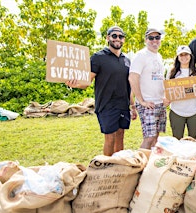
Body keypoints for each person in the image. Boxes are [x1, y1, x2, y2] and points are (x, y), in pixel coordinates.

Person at [65, 26, 135, 156]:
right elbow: (86, 82)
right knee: (110, 138)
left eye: (121, 36)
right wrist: (74, 84)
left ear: (124, 39)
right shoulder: (98, 57)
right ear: (107, 38)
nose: (117, 39)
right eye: (114, 36)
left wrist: (133, 106)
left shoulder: (127, 60)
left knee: (120, 135)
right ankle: (106, 168)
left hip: (123, 105)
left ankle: (119, 164)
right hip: (106, 105)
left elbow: (129, 85)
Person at [128, 28, 168, 149]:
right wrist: (141, 101)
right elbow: (132, 78)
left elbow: (161, 80)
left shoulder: (159, 56)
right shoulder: (141, 55)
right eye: (151, 38)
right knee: (149, 138)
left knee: (156, 137)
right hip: (148, 103)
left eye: (157, 38)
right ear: (146, 40)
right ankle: (139, 163)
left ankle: (150, 164)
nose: (154, 40)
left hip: (159, 103)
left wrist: (165, 97)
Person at [166, 45, 196, 139]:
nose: (184, 57)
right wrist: (166, 99)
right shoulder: (172, 73)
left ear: (190, 56)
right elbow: (167, 92)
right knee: (177, 140)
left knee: (194, 141)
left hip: (195, 111)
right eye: (181, 55)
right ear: (177, 57)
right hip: (177, 112)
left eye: (186, 54)